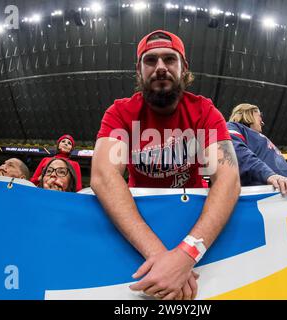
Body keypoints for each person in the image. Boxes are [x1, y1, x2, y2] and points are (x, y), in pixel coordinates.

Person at [91, 30, 240, 300]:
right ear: (139, 70)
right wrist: (163, 259)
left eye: (170, 59)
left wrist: (187, 253)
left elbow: (228, 178)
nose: (160, 67)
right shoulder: (120, 112)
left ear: (184, 68)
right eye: (151, 61)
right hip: (139, 222)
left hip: (194, 220)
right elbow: (103, 176)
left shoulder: (205, 111)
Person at [227, 103, 287, 195]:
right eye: (259, 116)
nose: (262, 122)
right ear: (248, 113)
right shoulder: (233, 127)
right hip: (273, 192)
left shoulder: (261, 138)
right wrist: (268, 174)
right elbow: (236, 152)